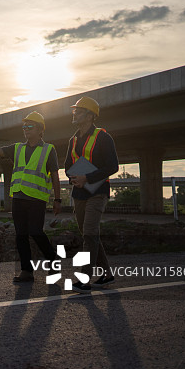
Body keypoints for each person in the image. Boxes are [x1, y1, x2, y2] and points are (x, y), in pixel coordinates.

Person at [0, 111, 62, 283]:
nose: (25, 129)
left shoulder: (48, 150)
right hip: (18, 197)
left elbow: (55, 175)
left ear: (40, 130)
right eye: (24, 126)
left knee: (36, 232)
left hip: (37, 199)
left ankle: (53, 259)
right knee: (21, 234)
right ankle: (26, 271)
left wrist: (57, 199)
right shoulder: (17, 148)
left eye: (30, 126)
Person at [64, 97, 119, 293]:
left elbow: (113, 166)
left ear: (90, 116)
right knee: (90, 234)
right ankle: (107, 275)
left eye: (78, 111)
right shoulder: (73, 140)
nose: (74, 114)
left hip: (98, 192)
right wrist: (74, 178)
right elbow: (67, 166)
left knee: (89, 232)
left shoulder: (103, 137)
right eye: (74, 110)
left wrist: (87, 177)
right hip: (79, 192)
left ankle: (85, 279)